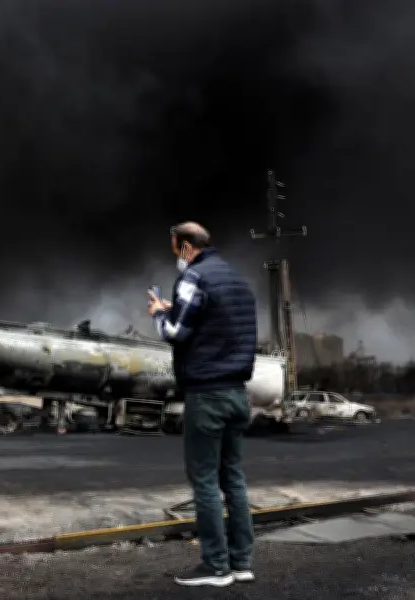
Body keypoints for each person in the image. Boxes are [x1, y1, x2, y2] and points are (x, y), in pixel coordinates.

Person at [147, 222, 258, 588]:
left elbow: (175, 333)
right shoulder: (238, 280)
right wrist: (176, 309)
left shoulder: (194, 276)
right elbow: (213, 325)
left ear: (185, 246)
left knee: (205, 481)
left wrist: (159, 313)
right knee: (233, 479)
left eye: (174, 248)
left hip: (207, 395)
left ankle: (215, 566)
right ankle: (241, 563)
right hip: (237, 392)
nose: (175, 256)